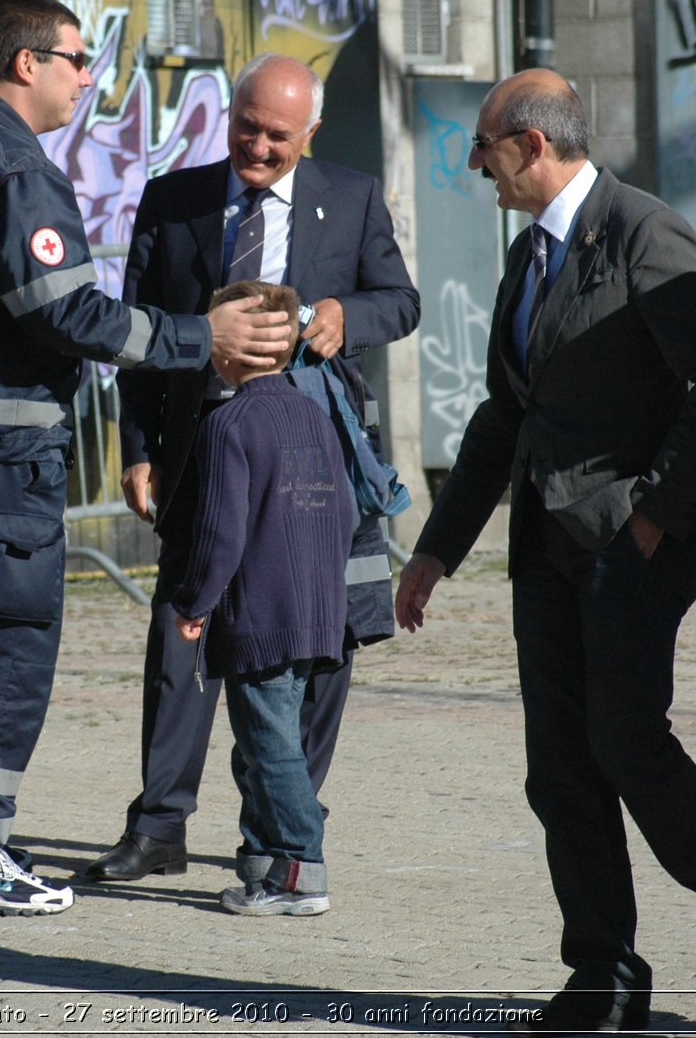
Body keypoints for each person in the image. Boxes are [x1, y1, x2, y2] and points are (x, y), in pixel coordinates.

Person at [0, 0, 293, 917]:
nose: (90, 77)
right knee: (2, 650)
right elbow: (68, 311)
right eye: (77, 59)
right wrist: (202, 336)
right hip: (0, 458)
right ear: (26, 62)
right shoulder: (9, 163)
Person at [393, 70, 696, 1032]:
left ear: (532, 144)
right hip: (545, 551)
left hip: (632, 547)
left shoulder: (642, 232)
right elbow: (505, 415)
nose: (475, 163)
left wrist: (655, 511)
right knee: (559, 768)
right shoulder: (528, 259)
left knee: (624, 740)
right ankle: (604, 975)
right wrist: (438, 549)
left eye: (484, 145)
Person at [82, 52, 419, 884]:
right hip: (202, 448)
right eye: (246, 127)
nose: (257, 147)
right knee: (183, 628)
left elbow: (401, 302)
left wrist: (349, 313)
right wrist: (137, 448)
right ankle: (160, 825)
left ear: (309, 134)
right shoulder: (175, 200)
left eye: (278, 135)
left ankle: (280, 827)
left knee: (318, 635)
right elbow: (138, 336)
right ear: (226, 115)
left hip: (314, 456)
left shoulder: (353, 197)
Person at [169, 279, 354, 917]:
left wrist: (194, 603)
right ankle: (261, 865)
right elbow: (347, 511)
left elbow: (221, 530)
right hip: (318, 612)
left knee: (270, 747)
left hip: (260, 616)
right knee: (263, 745)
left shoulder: (228, 423)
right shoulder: (315, 412)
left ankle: (303, 867)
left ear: (231, 349)